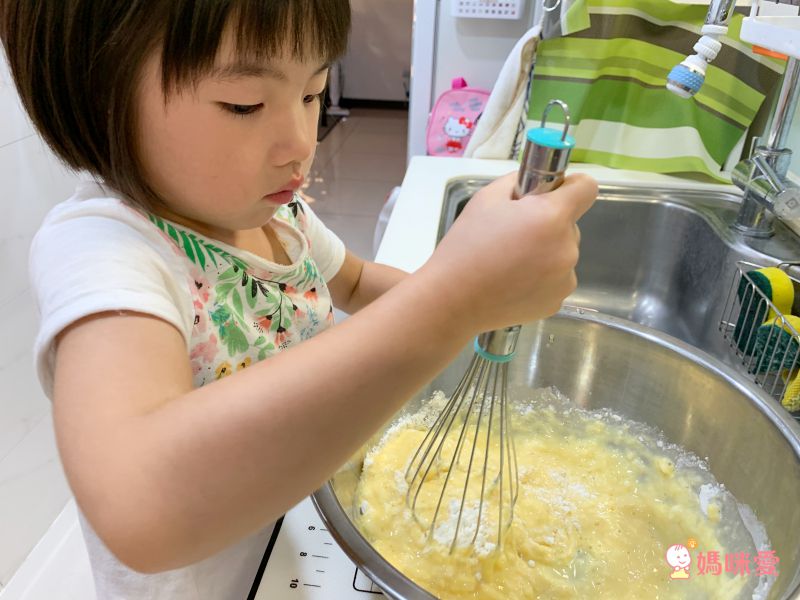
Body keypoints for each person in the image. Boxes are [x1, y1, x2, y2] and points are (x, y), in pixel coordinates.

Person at [0, 1, 597, 598]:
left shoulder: (279, 217)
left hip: (284, 540)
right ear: (94, 95)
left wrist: (485, 301)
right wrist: (453, 299)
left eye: (313, 93)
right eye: (244, 105)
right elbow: (140, 505)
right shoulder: (105, 251)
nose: (299, 143)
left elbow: (359, 284)